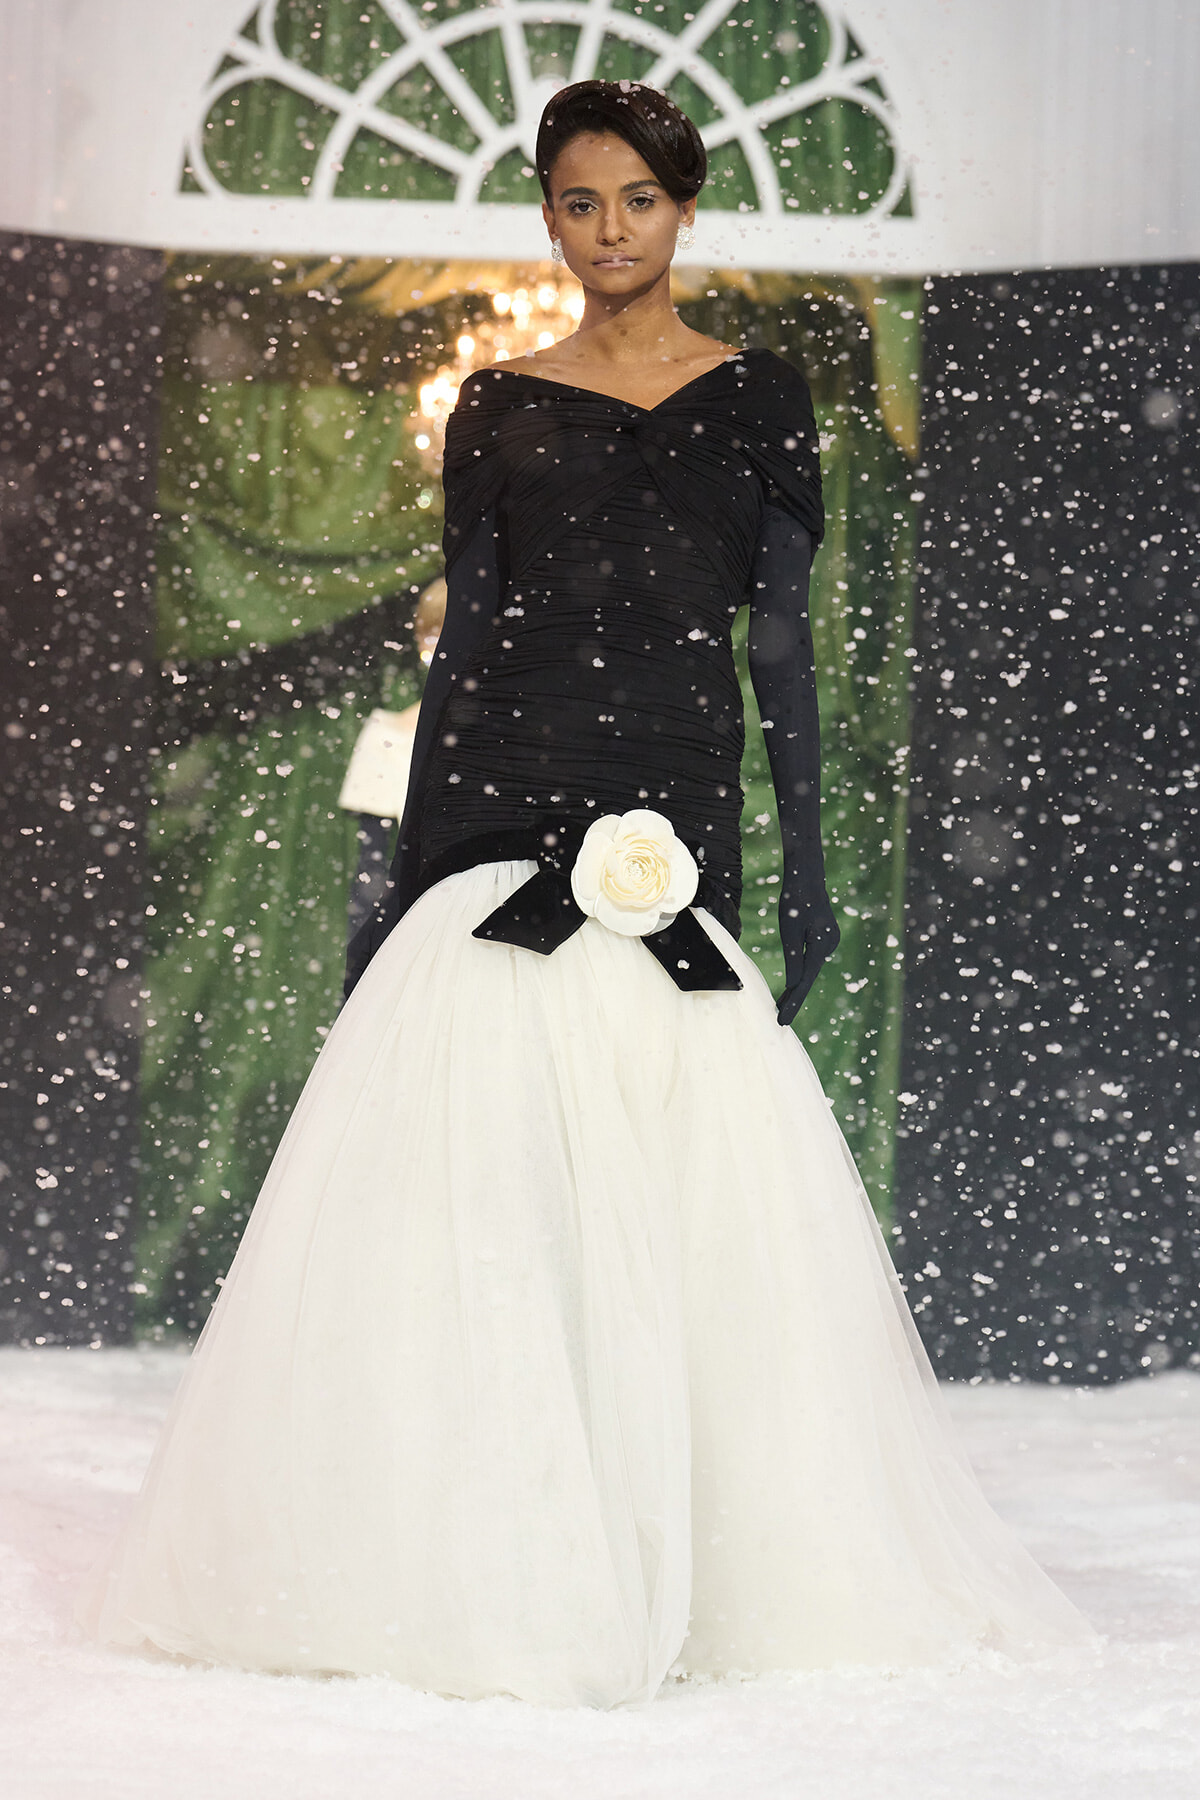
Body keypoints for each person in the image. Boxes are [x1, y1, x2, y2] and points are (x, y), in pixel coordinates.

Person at [79, 81, 1094, 1706]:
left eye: (636, 200)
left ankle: (681, 1557)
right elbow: (469, 644)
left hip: (672, 809)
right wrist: (407, 878)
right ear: (546, 218)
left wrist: (805, 869)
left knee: (677, 1182)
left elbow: (778, 648)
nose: (608, 231)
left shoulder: (759, 400)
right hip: (499, 804)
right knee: (469, 1192)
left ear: (684, 209)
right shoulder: (496, 402)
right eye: (576, 203)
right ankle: (473, 1558)